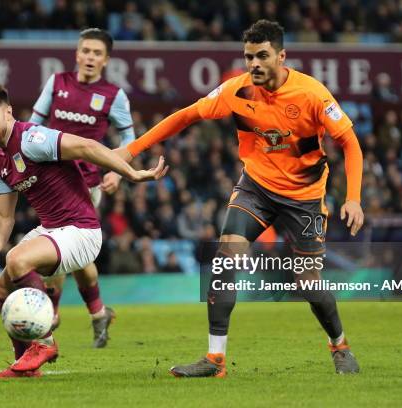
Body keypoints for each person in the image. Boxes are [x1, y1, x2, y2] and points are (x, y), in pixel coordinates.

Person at [117, 20, 364, 377]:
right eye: (249, 57)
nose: (255, 64)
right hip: (256, 188)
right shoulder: (237, 90)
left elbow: (350, 144)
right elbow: (186, 115)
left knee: (308, 282)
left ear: (281, 56)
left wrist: (353, 198)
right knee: (224, 258)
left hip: (304, 197)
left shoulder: (312, 94)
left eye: (262, 56)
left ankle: (339, 347)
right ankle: (215, 360)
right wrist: (132, 149)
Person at [0, 80, 167, 378]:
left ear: (7, 112)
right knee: (2, 286)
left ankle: (45, 342)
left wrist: (130, 174)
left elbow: (86, 146)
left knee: (17, 259)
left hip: (82, 231)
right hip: (54, 230)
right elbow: (3, 218)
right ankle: (24, 367)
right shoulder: (0, 162)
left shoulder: (32, 138)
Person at [30, 28, 135, 347]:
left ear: (106, 60)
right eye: (85, 51)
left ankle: (52, 314)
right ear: (77, 54)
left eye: (97, 53)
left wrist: (118, 171)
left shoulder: (114, 95)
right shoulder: (57, 83)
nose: (90, 57)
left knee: (58, 245)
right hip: (51, 179)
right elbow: (34, 124)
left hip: (87, 185)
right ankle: (98, 313)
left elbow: (128, 138)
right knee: (75, 256)